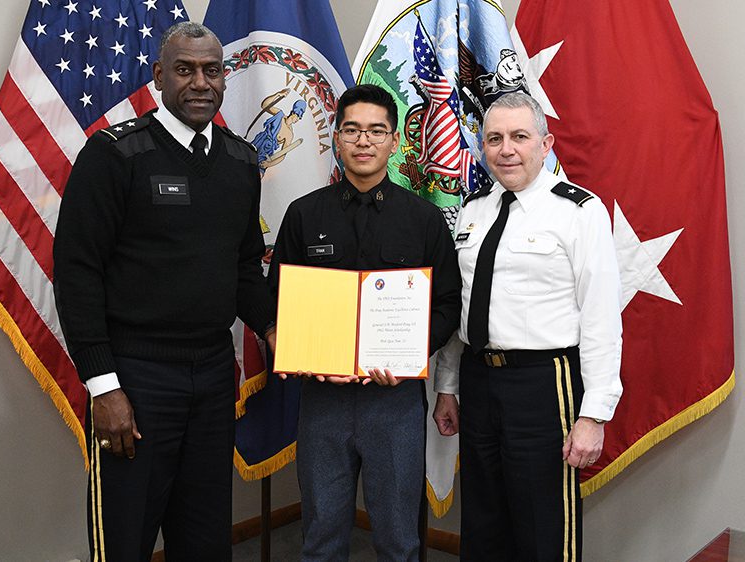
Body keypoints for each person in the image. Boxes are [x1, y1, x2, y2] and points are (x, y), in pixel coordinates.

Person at [53, 21, 275, 561]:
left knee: (203, 539)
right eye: (184, 70)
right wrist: (103, 386)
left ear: (224, 79)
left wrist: (273, 325)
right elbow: (77, 269)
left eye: (211, 71)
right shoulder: (115, 154)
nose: (200, 83)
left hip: (214, 376)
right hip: (137, 378)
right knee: (124, 540)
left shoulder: (243, 162)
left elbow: (245, 265)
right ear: (158, 77)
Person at [267, 84, 461, 562]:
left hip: (392, 402)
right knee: (321, 536)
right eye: (352, 129)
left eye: (376, 130)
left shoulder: (424, 220)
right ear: (336, 138)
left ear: (394, 142)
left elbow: (448, 305)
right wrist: (295, 346)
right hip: (322, 400)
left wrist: (409, 353)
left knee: (398, 540)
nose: (363, 141)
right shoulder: (304, 215)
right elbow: (279, 301)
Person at [433, 92, 623, 561]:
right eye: (494, 138)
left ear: (545, 143)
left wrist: (593, 415)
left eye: (520, 136)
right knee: (482, 520)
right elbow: (464, 309)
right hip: (479, 380)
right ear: (481, 147)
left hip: (543, 384)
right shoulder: (473, 211)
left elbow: (601, 316)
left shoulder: (579, 211)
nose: (506, 149)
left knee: (543, 526)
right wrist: (448, 386)